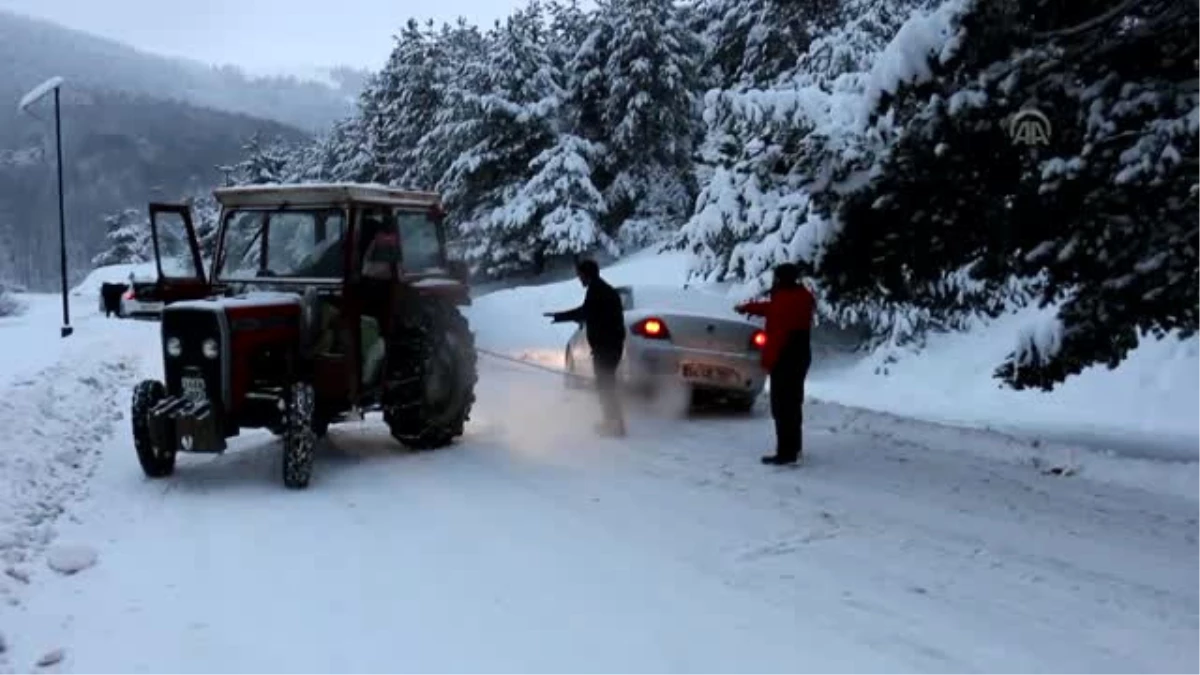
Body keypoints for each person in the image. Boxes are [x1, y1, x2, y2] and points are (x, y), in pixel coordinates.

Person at [734, 263, 816, 465]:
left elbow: (777, 333)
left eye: (776, 278)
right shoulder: (803, 296)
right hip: (801, 355)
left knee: (782, 407)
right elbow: (770, 308)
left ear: (781, 280)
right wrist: (748, 308)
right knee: (794, 403)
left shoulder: (783, 301)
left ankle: (785, 453)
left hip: (784, 358)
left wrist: (768, 362)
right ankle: (794, 447)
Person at [545, 259, 628, 436]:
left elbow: (585, 312)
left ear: (586, 274)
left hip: (606, 347)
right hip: (610, 346)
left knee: (605, 385)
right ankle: (613, 423)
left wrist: (560, 316)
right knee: (606, 384)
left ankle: (615, 426)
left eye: (580, 275)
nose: (579, 279)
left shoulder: (597, 291)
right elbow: (592, 314)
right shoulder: (602, 289)